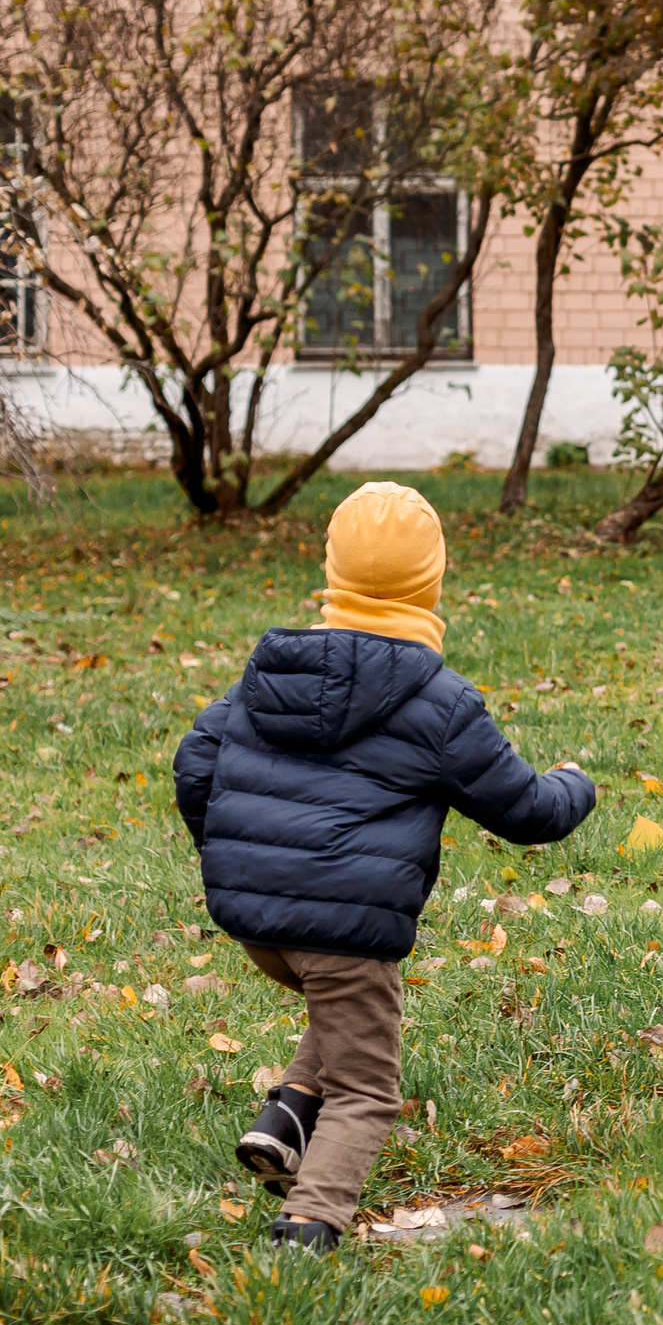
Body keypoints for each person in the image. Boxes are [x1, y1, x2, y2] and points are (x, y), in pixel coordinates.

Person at [174, 482, 597, 1253]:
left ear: (331, 568)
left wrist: (236, 856)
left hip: (259, 926)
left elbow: (195, 760)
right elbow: (525, 809)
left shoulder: (271, 671)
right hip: (347, 928)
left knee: (342, 1005)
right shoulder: (437, 700)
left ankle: (288, 1114)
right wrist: (577, 783)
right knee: (369, 1085)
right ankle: (308, 1224)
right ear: (431, 581)